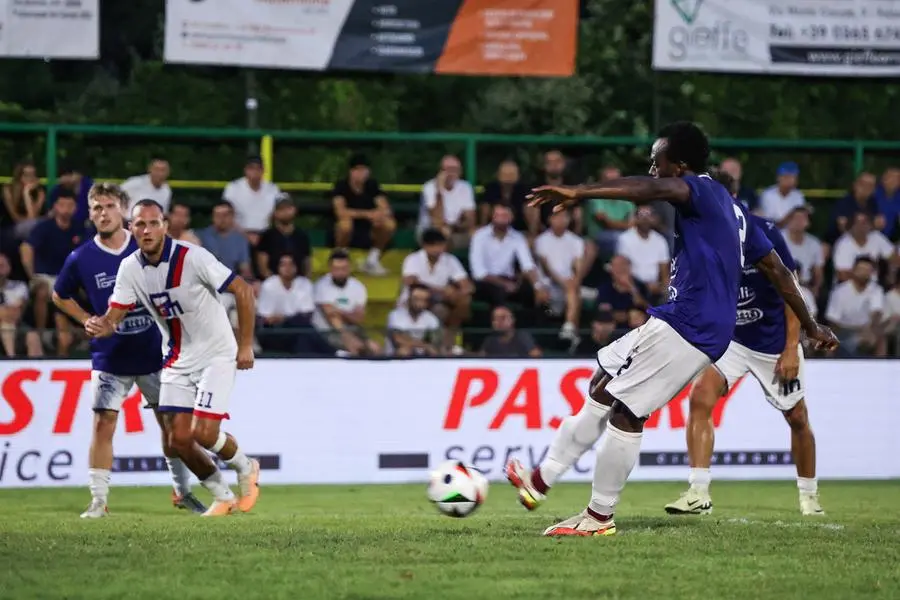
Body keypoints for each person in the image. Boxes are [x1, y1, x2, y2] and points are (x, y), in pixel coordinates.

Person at [505, 121, 838, 537]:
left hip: (692, 323)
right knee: (602, 386)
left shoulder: (695, 187)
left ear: (678, 166)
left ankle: (598, 517)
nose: (652, 169)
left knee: (627, 412)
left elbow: (651, 190)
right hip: (687, 318)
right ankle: (540, 481)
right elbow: (777, 270)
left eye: (656, 162)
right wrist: (811, 323)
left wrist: (579, 192)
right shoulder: (737, 213)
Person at [86, 199, 261, 518]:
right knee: (178, 439)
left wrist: (245, 345)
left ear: (165, 225)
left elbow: (243, 291)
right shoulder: (130, 268)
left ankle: (247, 468)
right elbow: (116, 314)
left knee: (204, 434)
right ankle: (221, 497)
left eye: (154, 223)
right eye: (140, 224)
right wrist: (102, 324)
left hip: (217, 354)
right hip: (177, 358)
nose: (147, 230)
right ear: (131, 229)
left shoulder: (192, 257)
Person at [664, 170, 824, 517]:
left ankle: (809, 497)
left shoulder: (762, 231)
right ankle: (697, 492)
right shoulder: (701, 234)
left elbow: (789, 290)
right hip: (731, 340)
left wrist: (790, 346)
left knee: (797, 417)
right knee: (700, 397)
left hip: (773, 341)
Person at [51, 184, 210, 518]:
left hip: (155, 352)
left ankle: (182, 492)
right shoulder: (81, 257)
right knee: (102, 423)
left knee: (170, 427)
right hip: (110, 355)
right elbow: (58, 294)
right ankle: (98, 501)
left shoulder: (145, 245)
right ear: (90, 213)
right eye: (96, 207)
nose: (103, 213)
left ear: (123, 209)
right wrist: (85, 318)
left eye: (109, 205)